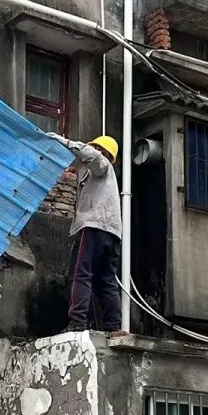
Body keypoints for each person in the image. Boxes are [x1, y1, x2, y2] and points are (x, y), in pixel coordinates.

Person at [47, 132, 124, 332]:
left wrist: (63, 141)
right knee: (106, 280)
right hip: (112, 232)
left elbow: (92, 156)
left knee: (80, 274)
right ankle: (113, 326)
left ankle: (78, 322)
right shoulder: (99, 176)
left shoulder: (102, 164)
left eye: (97, 148)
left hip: (93, 226)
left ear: (103, 152)